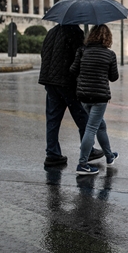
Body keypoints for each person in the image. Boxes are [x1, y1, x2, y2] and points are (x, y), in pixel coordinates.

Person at [38, 24, 104, 167]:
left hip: (50, 82)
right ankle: (89, 150)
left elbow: (43, 53)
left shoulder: (51, 32)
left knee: (52, 120)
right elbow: (79, 56)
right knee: (82, 117)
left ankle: (52, 154)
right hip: (67, 82)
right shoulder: (74, 31)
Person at [71, 24, 119, 175]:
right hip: (100, 97)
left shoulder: (82, 51)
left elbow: (73, 70)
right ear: (108, 37)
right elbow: (114, 77)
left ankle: (110, 156)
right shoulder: (110, 54)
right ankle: (82, 164)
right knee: (91, 128)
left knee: (100, 126)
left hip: (84, 96)